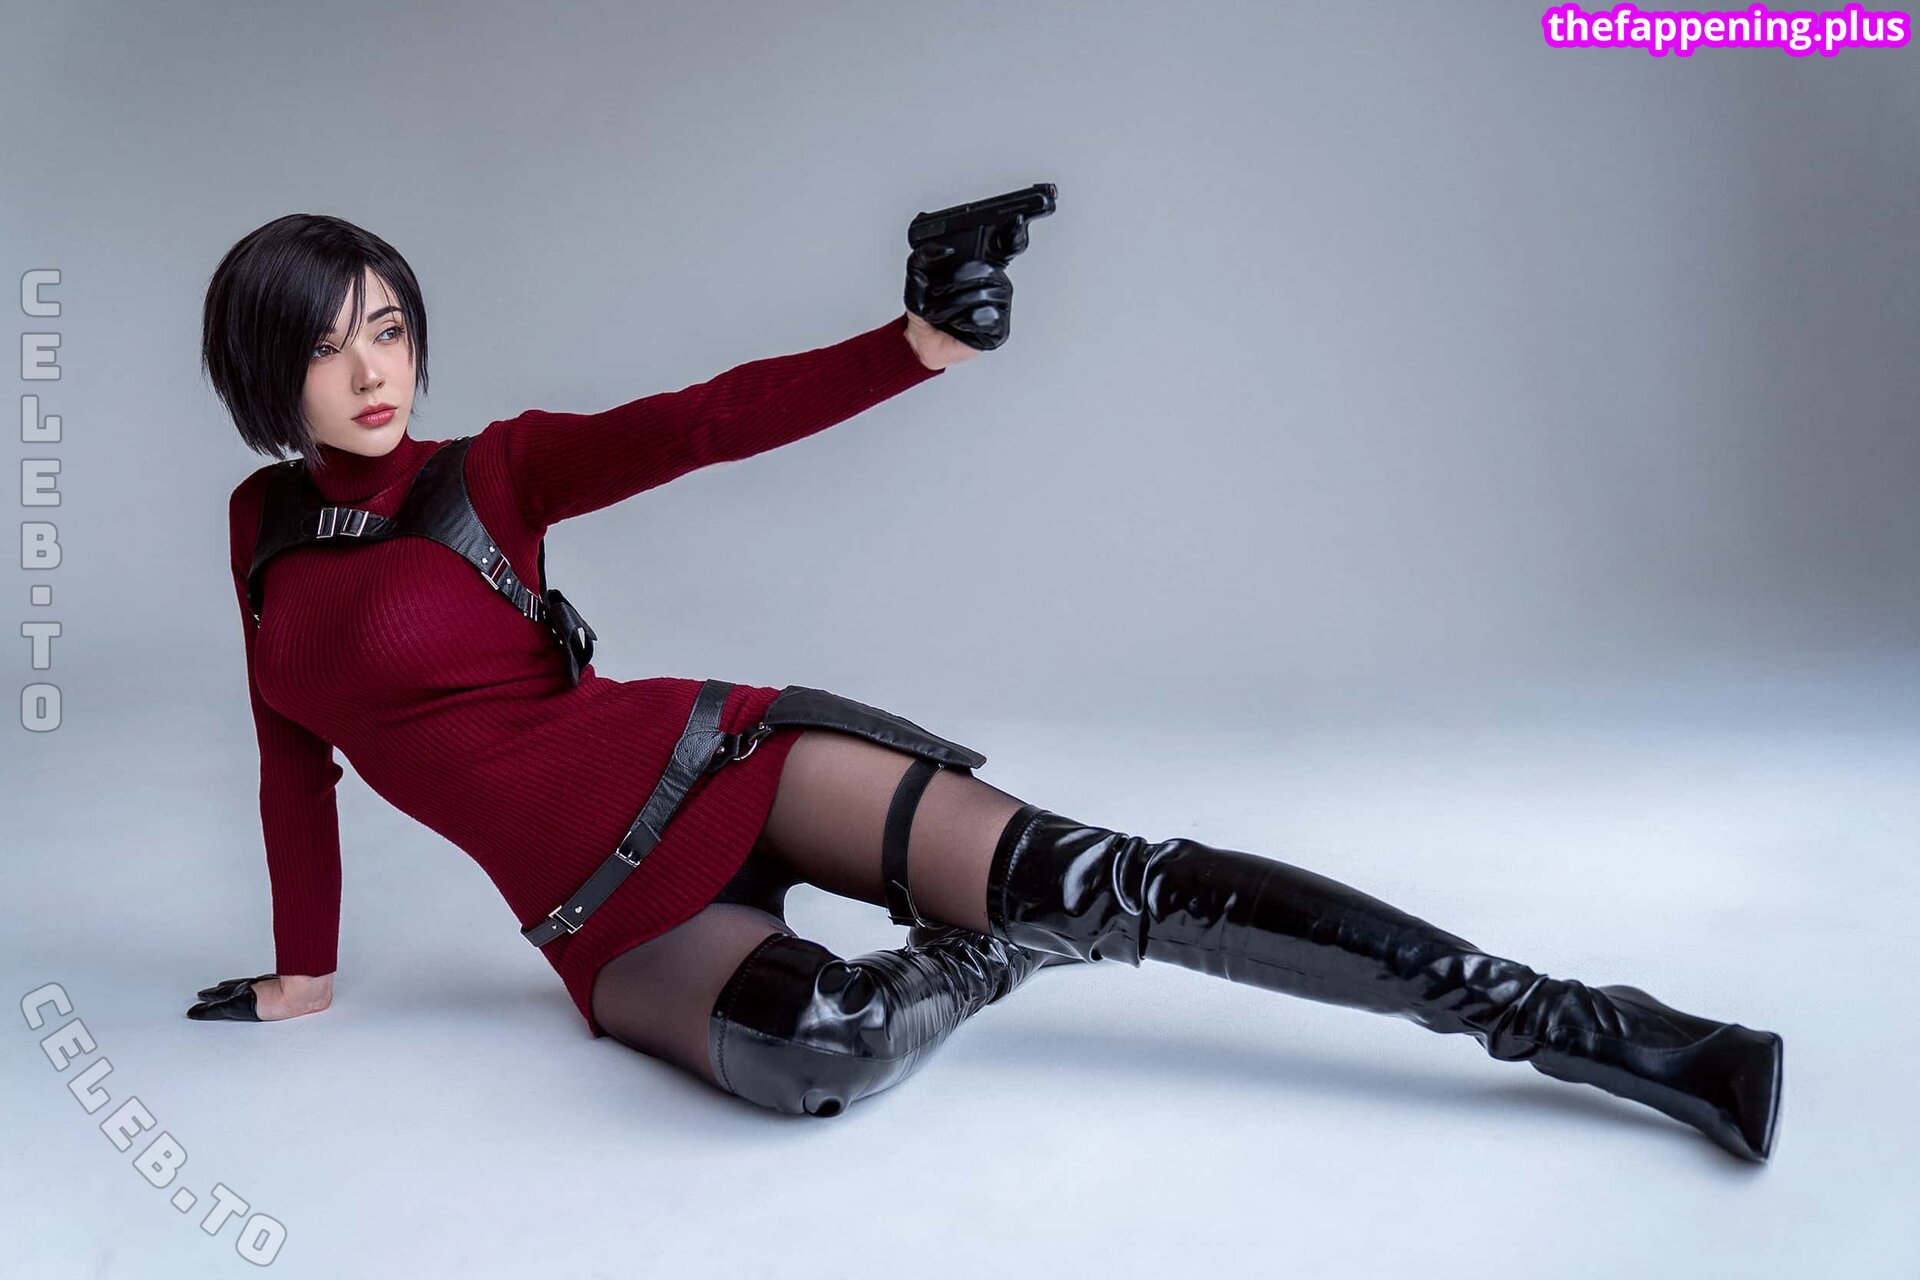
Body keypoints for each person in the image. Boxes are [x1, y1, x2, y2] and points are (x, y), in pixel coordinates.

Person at [189, 212, 1783, 1164]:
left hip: (714, 757)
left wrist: (915, 347)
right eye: (329, 348)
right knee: (819, 1046)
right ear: (268, 373)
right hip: (603, 915)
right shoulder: (262, 537)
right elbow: (291, 765)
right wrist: (306, 972)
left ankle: (1607, 1033)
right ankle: (1003, 951)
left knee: (1114, 875)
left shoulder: (492, 472)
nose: (375, 370)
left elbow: (708, 420)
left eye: (389, 328)